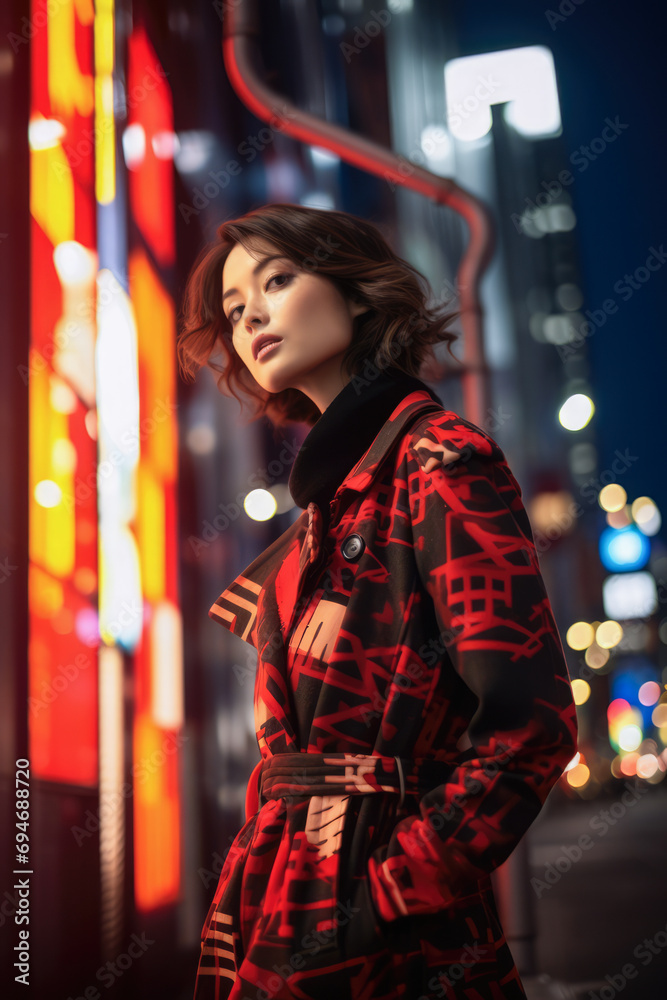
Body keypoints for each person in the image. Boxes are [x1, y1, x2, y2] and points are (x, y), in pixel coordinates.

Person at [178, 203, 579, 1000]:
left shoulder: (438, 462)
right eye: (233, 308)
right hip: (278, 900)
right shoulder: (330, 505)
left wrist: (390, 895)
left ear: (357, 292)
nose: (251, 314)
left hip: (391, 933)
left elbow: (531, 726)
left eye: (278, 280)